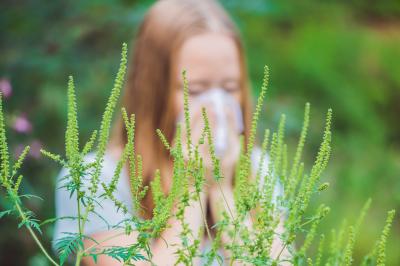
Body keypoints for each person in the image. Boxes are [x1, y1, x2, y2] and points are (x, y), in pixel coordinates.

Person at [53, 0, 288, 265]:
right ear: (153, 91)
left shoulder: (258, 170)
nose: (216, 107)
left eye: (229, 87)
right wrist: (192, 184)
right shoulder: (95, 181)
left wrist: (222, 188)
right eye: (196, 91)